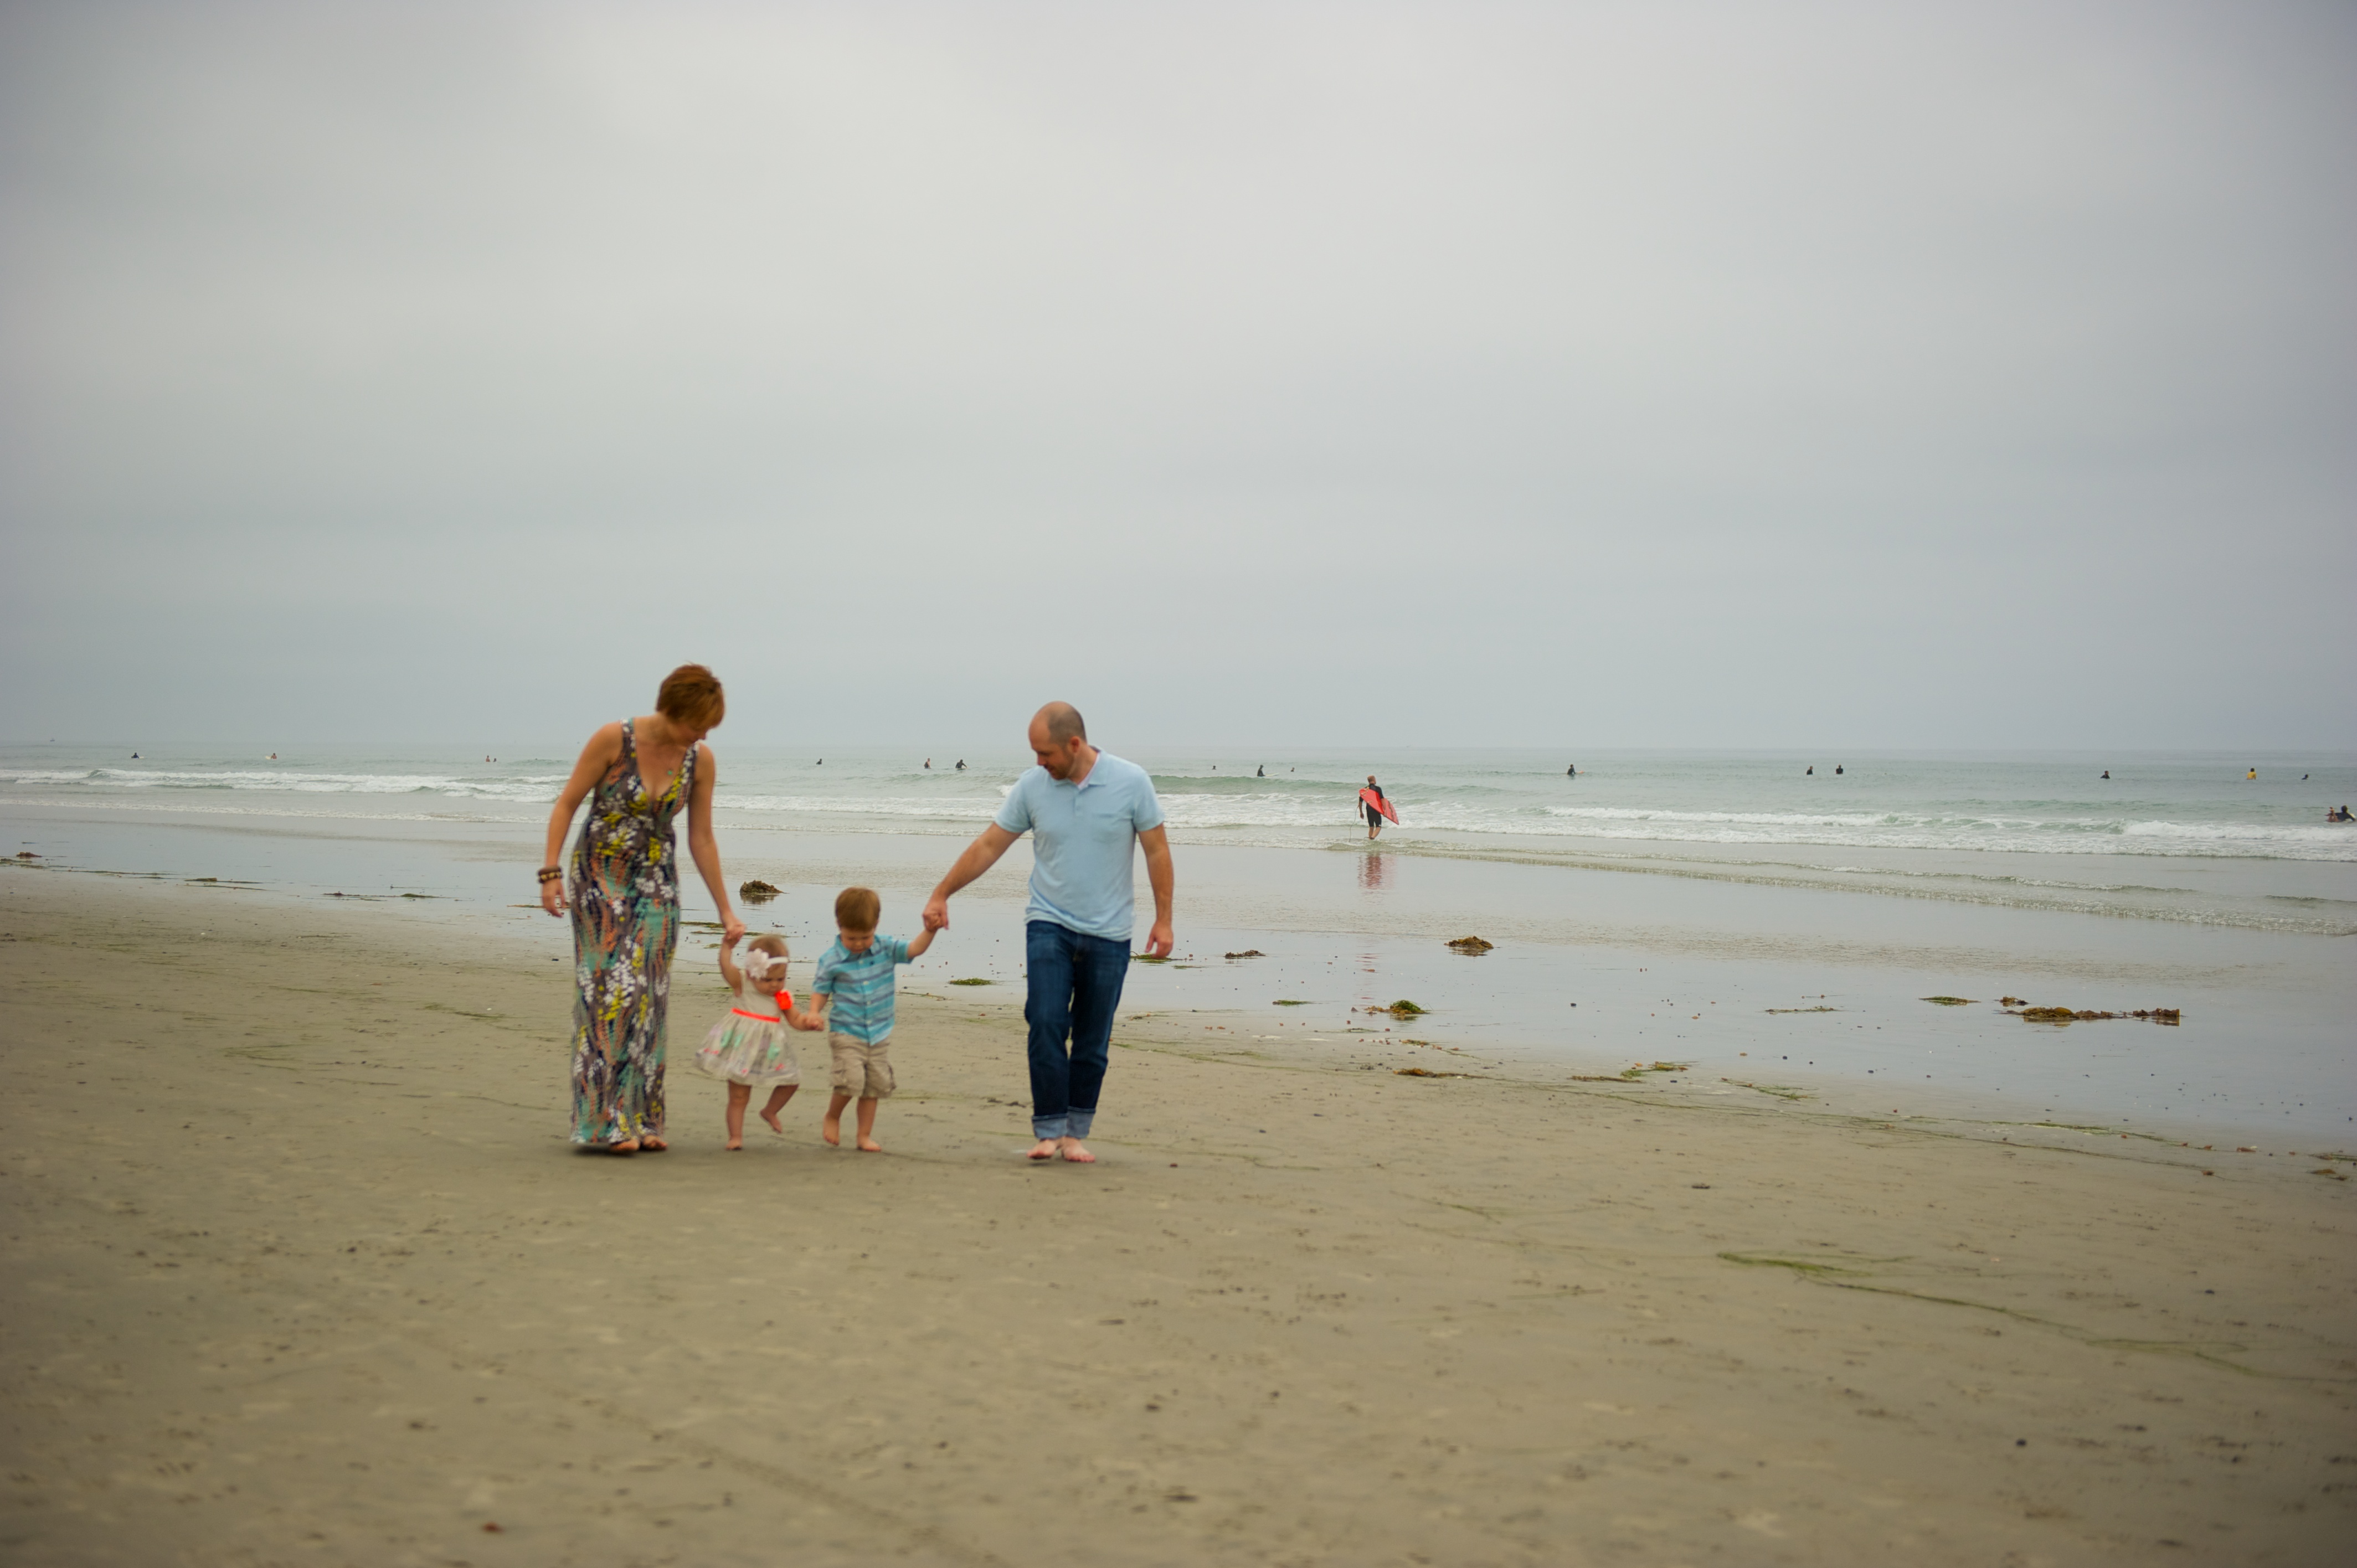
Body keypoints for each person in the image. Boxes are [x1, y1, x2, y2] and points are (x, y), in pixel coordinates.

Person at [923, 703, 1173, 1164]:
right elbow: (989, 845)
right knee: (1045, 1021)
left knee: (1093, 1041)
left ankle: (1075, 1134)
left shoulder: (1131, 782)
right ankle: (1049, 1128)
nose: (1040, 763)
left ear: (1074, 745)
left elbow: (1156, 850)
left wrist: (1164, 918)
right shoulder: (1032, 787)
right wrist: (942, 893)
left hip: (1110, 933)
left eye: (1046, 753)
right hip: (1048, 923)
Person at [539, 664, 744, 1154]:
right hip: (598, 879)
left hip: (657, 884)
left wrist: (726, 910)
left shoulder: (701, 761)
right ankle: (601, 1122)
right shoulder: (615, 740)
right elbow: (568, 803)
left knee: (649, 999)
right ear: (671, 710)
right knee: (610, 992)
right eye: (697, 724)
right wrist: (549, 873)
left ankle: (643, 1118)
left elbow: (701, 837)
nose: (703, 734)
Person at [809, 886, 936, 1152]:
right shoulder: (831, 960)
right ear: (839, 926)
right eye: (851, 937)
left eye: (865, 937)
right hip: (846, 1032)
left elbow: (914, 950)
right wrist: (813, 1013)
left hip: (879, 1033)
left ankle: (863, 1136)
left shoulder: (886, 948)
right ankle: (832, 1116)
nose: (858, 944)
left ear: (876, 926)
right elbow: (821, 991)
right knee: (850, 1080)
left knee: (873, 1088)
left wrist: (930, 931)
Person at [692, 931, 823, 1149]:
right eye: (768, 979)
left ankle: (770, 1111)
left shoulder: (782, 996)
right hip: (740, 1049)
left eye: (780, 979)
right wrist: (727, 947)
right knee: (739, 1097)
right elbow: (726, 968)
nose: (774, 985)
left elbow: (795, 1019)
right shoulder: (743, 983)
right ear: (752, 973)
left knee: (792, 1080)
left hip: (768, 1051)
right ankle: (735, 1137)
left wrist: (809, 1024)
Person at [1362, 775, 1389, 840]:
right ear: (1374, 779)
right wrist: (1385, 810)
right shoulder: (1378, 789)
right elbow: (1382, 799)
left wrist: (1361, 812)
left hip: (1368, 809)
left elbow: (1360, 801)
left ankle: (1370, 840)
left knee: (1371, 826)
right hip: (1376, 809)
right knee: (1378, 827)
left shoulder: (1365, 790)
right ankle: (1372, 838)